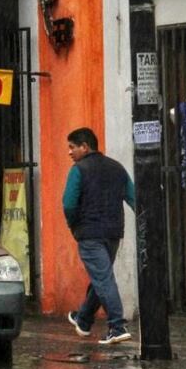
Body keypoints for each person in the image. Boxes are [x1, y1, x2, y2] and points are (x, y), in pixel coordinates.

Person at [63, 127, 135, 345]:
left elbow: (68, 204)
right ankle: (83, 319)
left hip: (89, 233)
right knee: (101, 276)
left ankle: (117, 325)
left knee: (103, 278)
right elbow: (133, 198)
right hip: (113, 233)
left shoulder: (79, 170)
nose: (69, 152)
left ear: (85, 147)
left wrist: (74, 225)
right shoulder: (117, 168)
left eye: (72, 147)